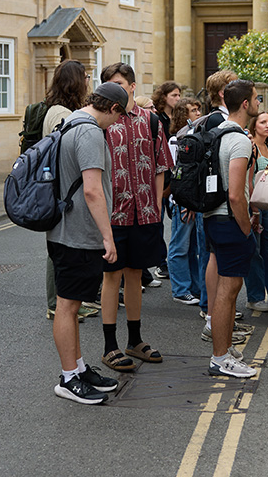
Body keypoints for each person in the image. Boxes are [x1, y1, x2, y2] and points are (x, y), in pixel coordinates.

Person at [46, 82, 127, 404]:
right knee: (67, 306)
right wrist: (108, 236)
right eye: (119, 118)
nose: (117, 124)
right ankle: (68, 379)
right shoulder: (91, 132)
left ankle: (78, 368)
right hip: (77, 235)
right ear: (113, 108)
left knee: (74, 304)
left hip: (65, 231)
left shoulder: (70, 123)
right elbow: (93, 190)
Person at [98, 63, 173, 373]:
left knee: (134, 274)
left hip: (144, 213)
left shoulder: (152, 120)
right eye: (107, 85)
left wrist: (154, 207)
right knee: (111, 276)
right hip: (113, 213)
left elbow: (160, 166)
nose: (114, 89)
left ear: (131, 86)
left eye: (118, 83)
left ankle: (135, 340)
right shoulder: (102, 123)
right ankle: (109, 345)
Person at [204, 79, 261, 378]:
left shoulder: (216, 133)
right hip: (230, 221)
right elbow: (237, 194)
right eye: (256, 99)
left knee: (226, 290)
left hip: (213, 218)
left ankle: (223, 351)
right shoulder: (238, 140)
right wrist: (246, 227)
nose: (259, 103)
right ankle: (220, 358)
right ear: (245, 104)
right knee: (228, 292)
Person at [41, 60, 100, 322]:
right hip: (62, 190)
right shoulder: (59, 113)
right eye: (86, 76)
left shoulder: (65, 110)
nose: (88, 81)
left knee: (61, 245)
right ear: (76, 81)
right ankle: (57, 303)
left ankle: (67, 300)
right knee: (59, 247)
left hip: (65, 189)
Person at [167, 98, 204, 305]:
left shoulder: (196, 136)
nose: (197, 113)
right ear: (183, 115)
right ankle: (180, 289)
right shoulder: (176, 141)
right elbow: (178, 175)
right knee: (180, 246)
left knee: (193, 248)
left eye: (198, 109)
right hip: (182, 200)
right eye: (193, 110)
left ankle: (194, 287)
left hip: (195, 200)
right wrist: (186, 202)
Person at [148, 81, 181, 283]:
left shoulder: (178, 118)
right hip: (162, 173)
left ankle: (175, 260)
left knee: (177, 220)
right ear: (164, 97)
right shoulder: (157, 119)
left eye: (179, 95)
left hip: (175, 174)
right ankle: (161, 262)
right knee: (158, 221)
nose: (177, 99)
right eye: (174, 95)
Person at [245, 111, 268, 312]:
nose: (267, 126)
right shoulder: (251, 147)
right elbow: (248, 180)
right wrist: (254, 210)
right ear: (254, 125)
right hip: (255, 204)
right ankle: (254, 297)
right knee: (254, 251)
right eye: (263, 122)